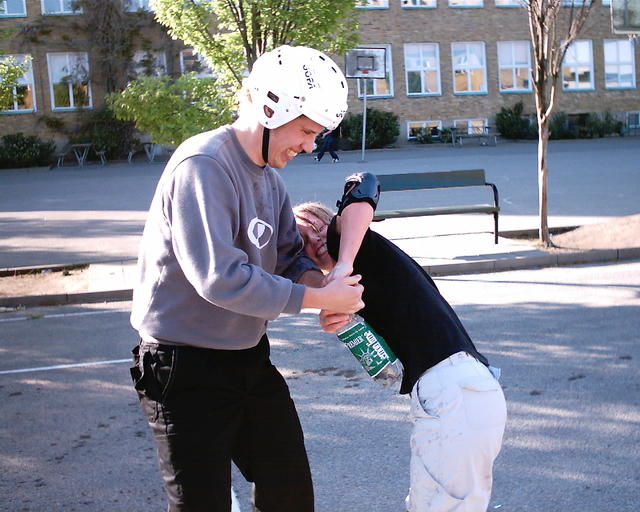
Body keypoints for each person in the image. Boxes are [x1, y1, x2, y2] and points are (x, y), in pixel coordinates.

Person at [129, 45, 364, 512]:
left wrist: (330, 287)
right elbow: (220, 279)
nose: (309, 146)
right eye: (305, 131)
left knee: (289, 493)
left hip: (247, 359)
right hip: (183, 367)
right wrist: (316, 300)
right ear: (271, 108)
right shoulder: (204, 165)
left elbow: (287, 261)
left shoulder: (269, 179)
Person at [293, 172, 507, 512]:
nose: (315, 240)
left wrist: (344, 260)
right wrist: (339, 315)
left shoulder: (353, 245)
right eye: (301, 240)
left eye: (317, 226)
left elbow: (363, 185)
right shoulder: (355, 278)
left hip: (456, 391)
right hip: (446, 395)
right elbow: (387, 363)